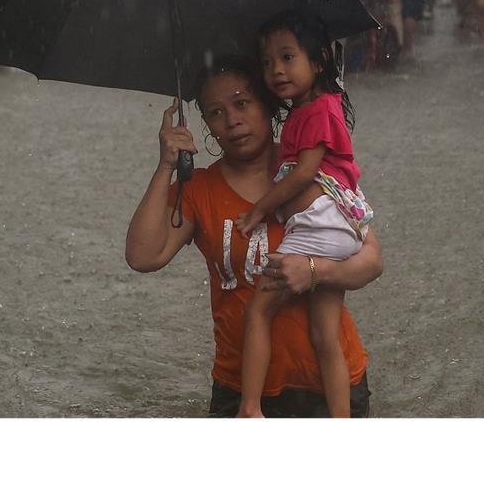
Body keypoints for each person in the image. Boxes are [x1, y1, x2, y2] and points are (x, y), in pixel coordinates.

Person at [124, 54, 383, 418]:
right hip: (241, 389)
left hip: (328, 386)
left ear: (268, 105)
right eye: (215, 112)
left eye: (242, 103)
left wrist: (314, 272)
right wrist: (166, 166)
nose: (232, 121)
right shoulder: (199, 190)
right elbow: (142, 256)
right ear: (207, 126)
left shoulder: (312, 172)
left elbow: (372, 262)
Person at [233, 10, 374, 418]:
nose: (275, 70)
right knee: (324, 336)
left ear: (318, 62)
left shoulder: (317, 111)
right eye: (267, 62)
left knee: (258, 309)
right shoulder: (308, 109)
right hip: (335, 229)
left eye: (287, 57)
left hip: (319, 226)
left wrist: (260, 209)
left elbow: (306, 172)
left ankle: (249, 409)